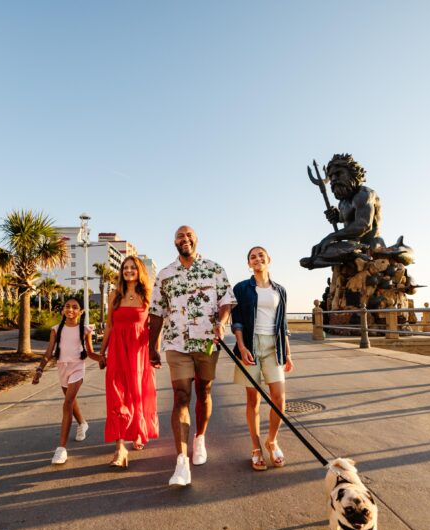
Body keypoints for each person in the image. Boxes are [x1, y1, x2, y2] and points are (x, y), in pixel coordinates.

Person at [149, 225, 235, 487]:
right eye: (179, 236)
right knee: (181, 396)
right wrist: (152, 346)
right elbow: (155, 311)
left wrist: (221, 322)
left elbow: (226, 301)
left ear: (196, 240)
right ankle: (181, 461)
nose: (184, 239)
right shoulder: (165, 274)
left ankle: (200, 438)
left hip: (207, 341)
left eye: (188, 236)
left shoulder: (214, 268)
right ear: (174, 242)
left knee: (204, 390)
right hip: (176, 343)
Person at [231, 246, 293, 470]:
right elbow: (236, 321)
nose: (257, 259)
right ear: (249, 264)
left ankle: (272, 441)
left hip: (273, 347)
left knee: (279, 398)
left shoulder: (280, 291)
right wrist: (241, 346)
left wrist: (287, 353)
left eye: (260, 256)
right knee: (253, 400)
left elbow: (283, 324)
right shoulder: (241, 288)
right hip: (251, 345)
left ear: (269, 260)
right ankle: (256, 447)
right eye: (252, 257)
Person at [98, 255, 159, 468]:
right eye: (125, 267)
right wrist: (102, 351)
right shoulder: (115, 295)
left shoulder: (148, 295)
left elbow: (154, 326)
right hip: (117, 350)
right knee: (117, 396)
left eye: (133, 267)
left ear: (139, 271)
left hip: (139, 351)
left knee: (137, 393)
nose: (129, 270)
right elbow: (109, 326)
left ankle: (139, 430)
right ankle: (120, 447)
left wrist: (155, 351)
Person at [32, 297, 101, 465]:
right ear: (63, 310)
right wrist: (40, 369)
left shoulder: (85, 330)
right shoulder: (56, 330)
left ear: (81, 311)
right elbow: (49, 352)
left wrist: (104, 359)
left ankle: (61, 449)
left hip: (77, 368)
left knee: (67, 403)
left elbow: (91, 353)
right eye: (67, 306)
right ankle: (83, 423)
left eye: (75, 307)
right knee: (70, 401)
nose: (70, 309)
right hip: (62, 368)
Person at [301, 153, 385, 270]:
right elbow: (346, 219)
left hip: (370, 246)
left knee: (327, 250)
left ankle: (349, 257)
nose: (334, 179)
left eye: (339, 173)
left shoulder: (364, 194)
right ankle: (344, 257)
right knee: (322, 249)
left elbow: (363, 225)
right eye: (331, 176)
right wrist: (336, 216)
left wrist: (332, 236)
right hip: (351, 245)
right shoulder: (343, 202)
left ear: (352, 174)